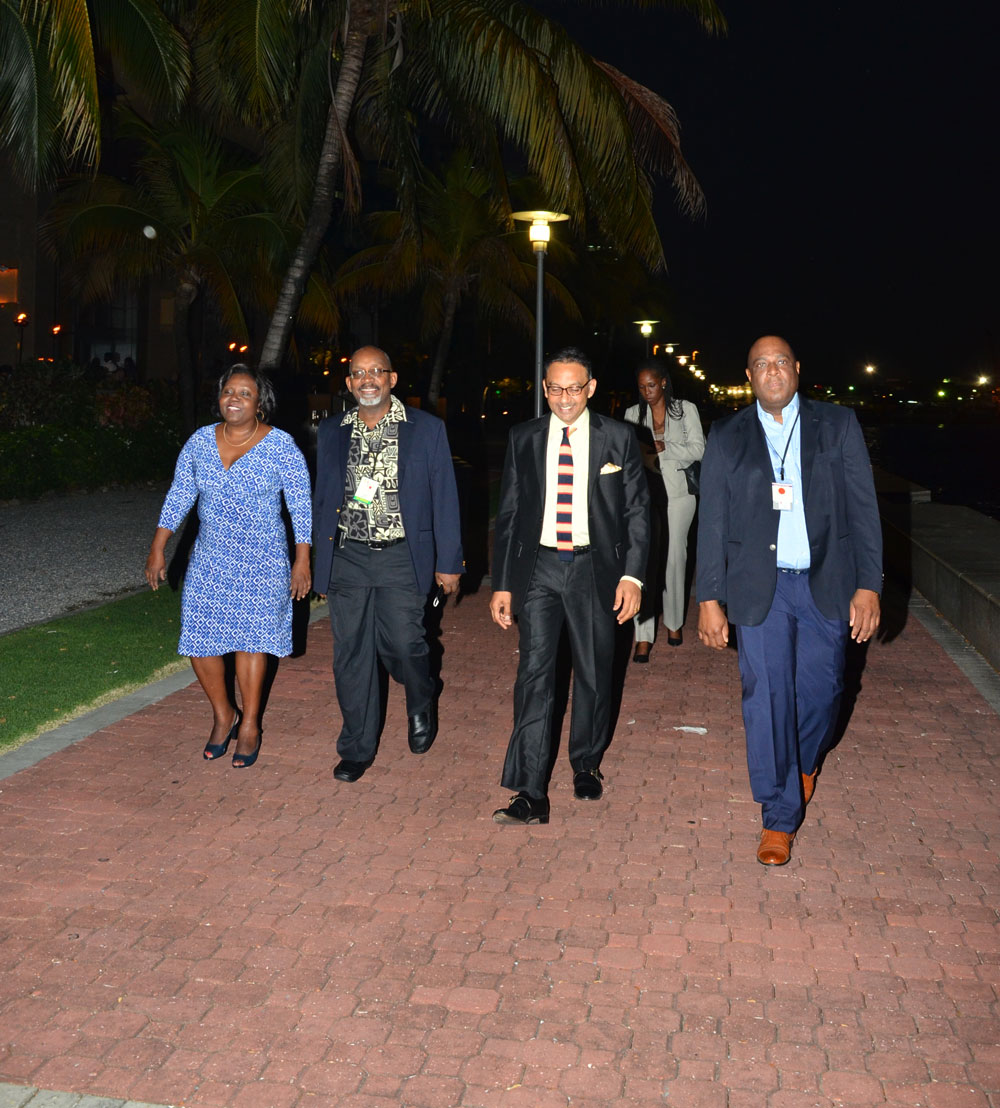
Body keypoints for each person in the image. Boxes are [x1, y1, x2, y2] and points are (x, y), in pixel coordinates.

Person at [696, 335, 882, 865]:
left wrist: (869, 584)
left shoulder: (837, 424)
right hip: (761, 588)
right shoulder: (726, 435)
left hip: (827, 581)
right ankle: (778, 816)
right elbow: (712, 522)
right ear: (749, 376)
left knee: (824, 692)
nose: (772, 371)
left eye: (781, 362)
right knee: (766, 697)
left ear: (797, 368)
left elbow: (864, 509)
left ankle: (801, 763)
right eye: (761, 364)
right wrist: (709, 598)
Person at [490, 346, 649, 824]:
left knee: (595, 672)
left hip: (595, 569)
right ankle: (530, 790)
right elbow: (509, 514)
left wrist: (632, 576)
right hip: (539, 569)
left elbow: (637, 512)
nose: (564, 398)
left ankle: (586, 762)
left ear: (591, 388)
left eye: (574, 388)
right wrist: (503, 583)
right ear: (544, 389)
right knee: (534, 676)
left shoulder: (618, 437)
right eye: (555, 388)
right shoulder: (524, 437)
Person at [145, 365, 312, 768]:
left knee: (251, 642)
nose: (234, 399)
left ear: (260, 404)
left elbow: (301, 506)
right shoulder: (200, 442)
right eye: (228, 392)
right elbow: (179, 494)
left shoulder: (281, 446)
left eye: (244, 393)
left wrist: (302, 560)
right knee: (199, 640)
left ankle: (250, 723)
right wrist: (158, 547)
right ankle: (225, 715)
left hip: (263, 559)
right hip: (210, 557)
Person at [312, 345, 464, 782]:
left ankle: (421, 697)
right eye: (358, 373)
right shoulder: (333, 430)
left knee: (405, 644)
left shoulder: (426, 429)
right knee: (351, 654)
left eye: (376, 371)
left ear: (392, 379)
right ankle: (356, 747)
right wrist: (317, 560)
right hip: (348, 556)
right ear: (349, 383)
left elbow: (444, 496)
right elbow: (323, 497)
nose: (368, 380)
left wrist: (449, 561)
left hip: (402, 554)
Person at [623, 361, 705, 659]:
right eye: (642, 387)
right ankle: (643, 634)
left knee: (674, 560)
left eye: (652, 385)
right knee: (644, 563)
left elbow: (699, 449)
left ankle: (673, 622)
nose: (647, 391)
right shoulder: (633, 414)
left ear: (664, 383)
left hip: (679, 496)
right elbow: (627, 453)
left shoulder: (685, 410)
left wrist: (664, 446)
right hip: (644, 497)